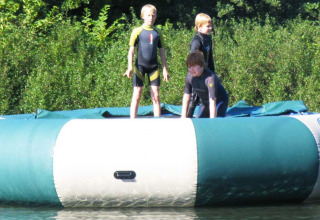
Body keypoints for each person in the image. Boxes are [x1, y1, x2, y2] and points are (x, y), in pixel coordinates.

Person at [123, 4, 170, 118]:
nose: (151, 17)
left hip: (154, 67)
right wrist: (129, 67)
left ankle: (157, 122)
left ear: (156, 16)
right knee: (137, 94)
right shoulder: (137, 31)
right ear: (143, 16)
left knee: (156, 96)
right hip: (140, 67)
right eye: (148, 15)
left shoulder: (158, 32)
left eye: (153, 15)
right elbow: (131, 51)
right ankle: (132, 121)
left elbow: (162, 51)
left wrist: (164, 68)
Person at [181, 51, 228, 118]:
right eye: (189, 67)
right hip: (205, 102)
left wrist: (212, 121)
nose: (191, 69)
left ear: (202, 66)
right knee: (199, 122)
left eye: (194, 66)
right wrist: (183, 117)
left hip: (218, 101)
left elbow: (212, 100)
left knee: (216, 122)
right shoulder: (189, 77)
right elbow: (186, 96)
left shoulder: (210, 78)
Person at [187, 13, 215, 118]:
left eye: (211, 26)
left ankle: (208, 118)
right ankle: (187, 119)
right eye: (208, 26)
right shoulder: (197, 41)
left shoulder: (208, 39)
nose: (210, 28)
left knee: (208, 96)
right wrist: (193, 73)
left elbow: (210, 57)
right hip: (196, 72)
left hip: (206, 72)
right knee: (194, 98)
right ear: (199, 27)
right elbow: (192, 59)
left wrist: (213, 72)